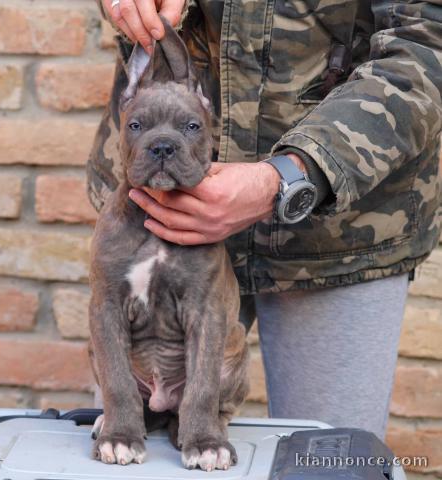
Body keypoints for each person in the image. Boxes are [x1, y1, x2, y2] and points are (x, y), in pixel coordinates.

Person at [86, 0, 442, 440]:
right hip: (149, 210)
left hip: (337, 229)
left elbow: (428, 40)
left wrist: (296, 174)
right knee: (129, 441)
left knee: (327, 458)